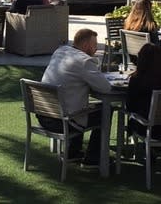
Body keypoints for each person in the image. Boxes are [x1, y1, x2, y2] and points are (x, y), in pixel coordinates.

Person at [39, 29, 113, 166]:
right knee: (105, 110)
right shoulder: (84, 61)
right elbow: (105, 88)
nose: (96, 49)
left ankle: (72, 152)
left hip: (44, 115)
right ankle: (94, 158)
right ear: (85, 45)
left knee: (80, 107)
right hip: (62, 121)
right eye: (94, 45)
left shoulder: (60, 51)